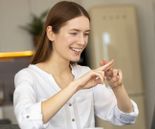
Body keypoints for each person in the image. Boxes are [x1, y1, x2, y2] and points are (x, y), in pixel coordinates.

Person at [13, 1, 139, 129]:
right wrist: (75, 85)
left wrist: (117, 87)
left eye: (86, 34)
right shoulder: (28, 76)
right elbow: (27, 121)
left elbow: (126, 117)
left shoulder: (85, 73)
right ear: (51, 33)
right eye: (74, 33)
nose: (82, 41)